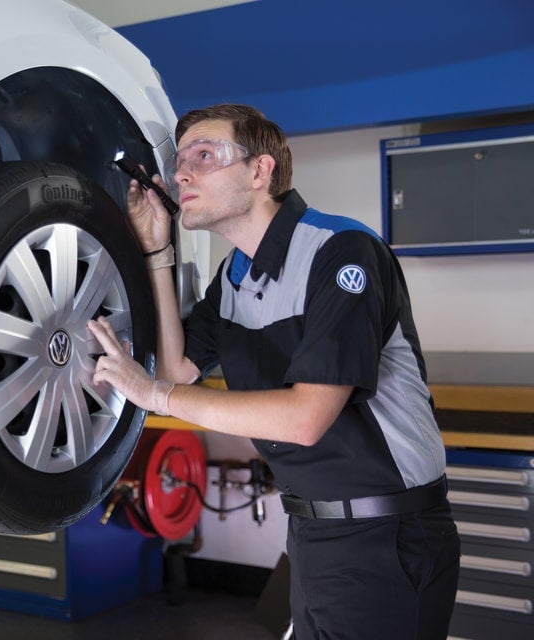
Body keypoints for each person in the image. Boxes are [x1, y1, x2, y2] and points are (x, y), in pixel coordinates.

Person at [88, 103, 460, 639]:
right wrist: (157, 250)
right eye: (180, 161)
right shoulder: (234, 278)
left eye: (204, 155)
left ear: (260, 172)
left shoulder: (341, 253)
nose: (182, 172)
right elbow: (178, 368)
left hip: (389, 536)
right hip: (314, 532)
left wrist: (156, 394)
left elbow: (306, 417)